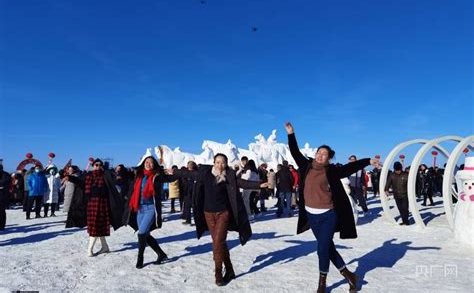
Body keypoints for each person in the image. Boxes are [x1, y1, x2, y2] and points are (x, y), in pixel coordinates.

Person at [285, 122, 379, 293]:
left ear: (329, 158)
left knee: (322, 248)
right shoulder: (306, 165)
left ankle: (322, 283)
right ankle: (350, 276)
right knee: (328, 247)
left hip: (328, 215)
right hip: (311, 215)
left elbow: (349, 167)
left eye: (324, 154)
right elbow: (294, 151)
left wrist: (367, 161)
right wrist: (291, 134)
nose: (320, 155)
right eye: (319, 152)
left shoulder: (332, 171)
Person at [172, 153, 268, 286]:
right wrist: (175, 171)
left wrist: (259, 185)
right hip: (208, 214)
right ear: (214, 162)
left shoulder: (229, 175)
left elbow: (242, 183)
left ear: (226, 163)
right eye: (217, 162)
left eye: (223, 162)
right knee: (220, 243)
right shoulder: (205, 173)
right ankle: (229, 269)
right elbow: (191, 174)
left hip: (223, 213)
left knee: (217, 242)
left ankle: (218, 272)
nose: (220, 165)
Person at [123, 152, 181, 269]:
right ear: (143, 164)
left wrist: (175, 172)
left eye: (151, 162)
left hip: (150, 209)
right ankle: (161, 254)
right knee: (145, 234)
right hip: (139, 209)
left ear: (154, 165)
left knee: (141, 233)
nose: (149, 164)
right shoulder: (139, 176)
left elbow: (171, 178)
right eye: (147, 162)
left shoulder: (157, 177)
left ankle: (140, 258)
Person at [84, 159, 123, 257]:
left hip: (103, 204)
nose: (98, 166)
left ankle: (90, 249)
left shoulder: (105, 175)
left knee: (97, 226)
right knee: (96, 226)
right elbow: (84, 188)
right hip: (91, 204)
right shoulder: (88, 175)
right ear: (93, 166)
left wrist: (105, 169)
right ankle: (105, 247)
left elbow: (114, 179)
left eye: (100, 165)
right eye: (96, 165)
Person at [0, 165, 10, 230]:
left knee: (1, 211)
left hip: (2, 195)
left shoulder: (5, 175)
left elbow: (6, 184)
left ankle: (2, 225)